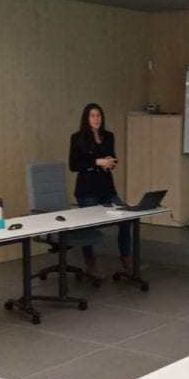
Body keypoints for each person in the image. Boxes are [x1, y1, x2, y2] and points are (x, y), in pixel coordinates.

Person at [68, 103, 132, 278]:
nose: (96, 119)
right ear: (86, 119)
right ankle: (90, 262)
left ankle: (126, 259)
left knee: (126, 218)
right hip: (87, 189)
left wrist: (110, 162)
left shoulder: (108, 136)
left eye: (99, 115)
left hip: (106, 187)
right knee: (89, 226)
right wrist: (97, 162)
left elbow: (113, 158)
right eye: (92, 116)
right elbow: (74, 165)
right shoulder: (77, 138)